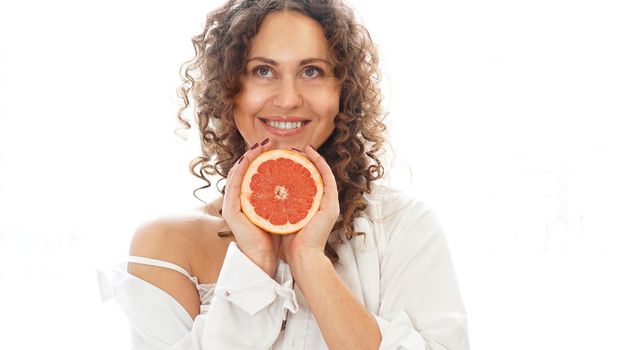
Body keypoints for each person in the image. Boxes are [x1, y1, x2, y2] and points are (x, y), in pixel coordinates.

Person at [97, 0, 469, 349]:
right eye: (263, 71)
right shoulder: (166, 245)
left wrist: (309, 261)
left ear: (343, 90)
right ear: (229, 89)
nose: (289, 98)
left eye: (312, 71)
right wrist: (255, 264)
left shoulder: (403, 226)